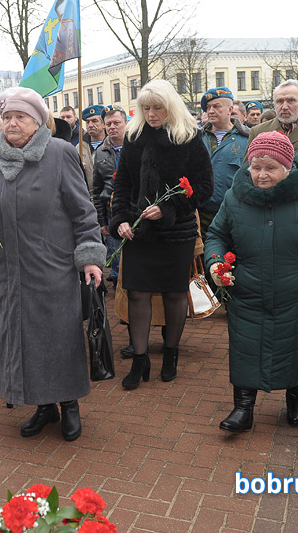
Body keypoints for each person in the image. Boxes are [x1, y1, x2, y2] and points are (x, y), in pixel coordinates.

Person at [0, 87, 104, 441]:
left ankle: (69, 404)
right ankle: (42, 406)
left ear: (39, 121)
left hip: (52, 267)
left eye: (20, 117)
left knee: (59, 337)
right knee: (20, 339)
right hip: (8, 271)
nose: (12, 123)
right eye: (7, 117)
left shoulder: (59, 154)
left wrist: (89, 257)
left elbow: (83, 211)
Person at [206, 132, 298, 433]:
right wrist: (214, 263)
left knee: (297, 345)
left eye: (270, 168)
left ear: (287, 168)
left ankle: (297, 397)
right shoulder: (236, 196)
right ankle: (243, 407)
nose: (261, 174)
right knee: (247, 347)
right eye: (255, 167)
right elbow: (217, 234)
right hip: (247, 291)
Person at [109, 79, 214, 390]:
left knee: (174, 293)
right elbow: (123, 185)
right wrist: (121, 220)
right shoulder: (133, 136)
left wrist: (168, 208)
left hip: (176, 233)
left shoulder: (189, 137)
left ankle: (171, 353)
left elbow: (204, 188)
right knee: (138, 293)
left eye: (157, 108)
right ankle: (140, 359)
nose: (151, 114)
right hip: (139, 232)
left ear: (171, 106)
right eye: (145, 108)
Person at [198, 86, 249, 236]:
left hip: (236, 214)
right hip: (202, 216)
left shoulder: (247, 138)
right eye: (208, 107)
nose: (211, 111)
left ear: (230, 109)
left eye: (216, 106)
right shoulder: (197, 139)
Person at [91, 105, 127, 285]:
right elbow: (96, 191)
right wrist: (102, 222)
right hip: (111, 212)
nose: (112, 127)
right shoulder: (100, 153)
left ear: (125, 123)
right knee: (117, 260)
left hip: (133, 211)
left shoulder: (136, 147)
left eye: (117, 123)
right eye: (109, 123)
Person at [76, 104, 108, 190]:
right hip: (86, 197)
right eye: (87, 122)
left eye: (94, 121)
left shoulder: (110, 145)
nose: (90, 125)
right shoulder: (79, 148)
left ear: (104, 124)